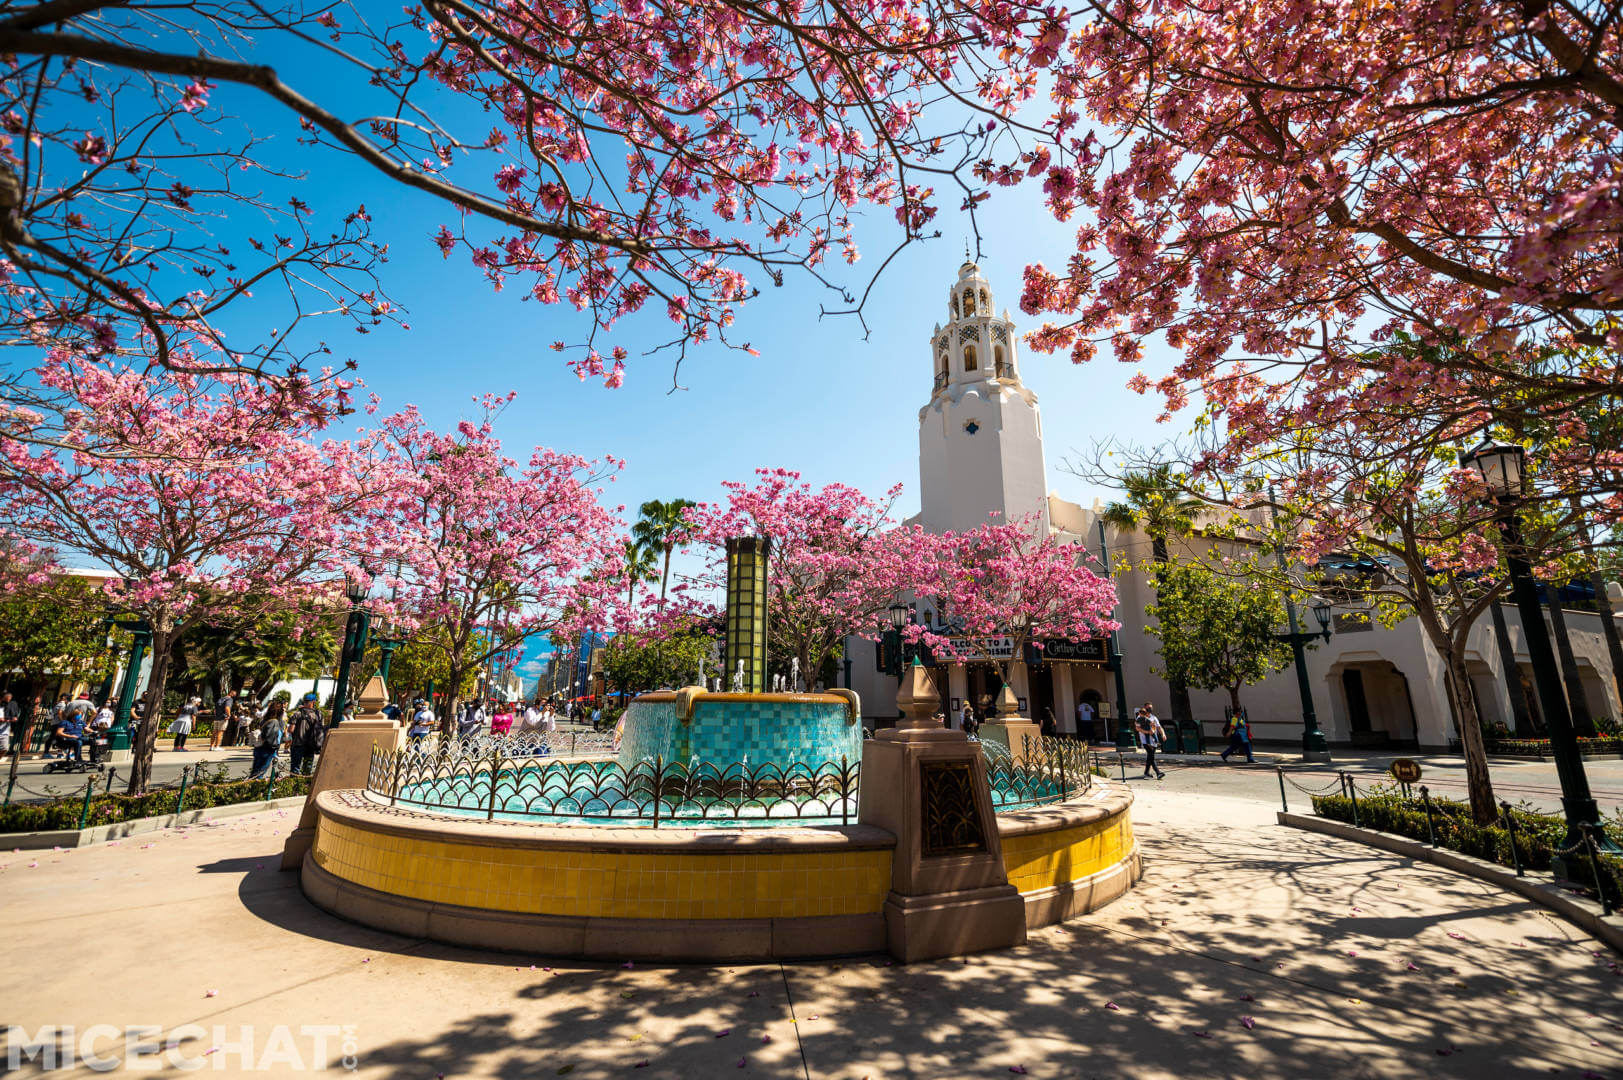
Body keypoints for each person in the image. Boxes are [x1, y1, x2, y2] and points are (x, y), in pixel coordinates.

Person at [288, 694, 324, 775]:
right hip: (311, 745)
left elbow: (291, 730)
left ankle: (294, 786)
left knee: (295, 769)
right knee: (307, 769)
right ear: (314, 702)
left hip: (298, 744)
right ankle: (305, 785)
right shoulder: (319, 714)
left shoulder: (297, 714)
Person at [250, 702, 286, 778]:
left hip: (259, 748)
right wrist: (275, 748)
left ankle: (250, 786)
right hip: (266, 750)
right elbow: (270, 738)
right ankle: (255, 788)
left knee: (255, 771)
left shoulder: (264, 720)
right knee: (260, 772)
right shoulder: (274, 722)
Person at [1134, 703, 1167, 780]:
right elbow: (1137, 728)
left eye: (1151, 708)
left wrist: (1163, 734)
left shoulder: (1153, 717)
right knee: (1151, 756)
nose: (1150, 709)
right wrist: (1147, 732)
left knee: (1150, 757)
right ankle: (1158, 773)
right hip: (1146, 741)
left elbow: (1159, 727)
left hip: (1153, 740)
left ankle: (1146, 772)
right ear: (1145, 708)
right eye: (1148, 707)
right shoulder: (1140, 717)